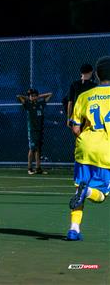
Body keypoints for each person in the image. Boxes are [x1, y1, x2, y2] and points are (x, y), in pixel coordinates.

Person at [66, 56, 110, 241]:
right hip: (105, 151)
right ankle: (88, 191)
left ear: (97, 75)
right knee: (100, 195)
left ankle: (74, 230)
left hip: (84, 149)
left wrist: (86, 137)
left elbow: (75, 127)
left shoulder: (84, 96)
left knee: (79, 190)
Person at [16, 88, 53, 175]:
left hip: (39, 130)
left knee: (38, 149)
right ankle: (29, 168)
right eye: (32, 96)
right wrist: (29, 98)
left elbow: (50, 94)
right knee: (32, 149)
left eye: (35, 95)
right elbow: (18, 96)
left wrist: (38, 96)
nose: (34, 97)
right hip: (32, 130)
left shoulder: (40, 104)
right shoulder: (28, 105)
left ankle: (38, 168)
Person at [66, 63, 97, 127]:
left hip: (77, 115)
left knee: (78, 135)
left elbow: (70, 103)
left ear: (81, 72)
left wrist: (69, 118)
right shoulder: (94, 86)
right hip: (90, 115)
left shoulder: (74, 84)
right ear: (91, 72)